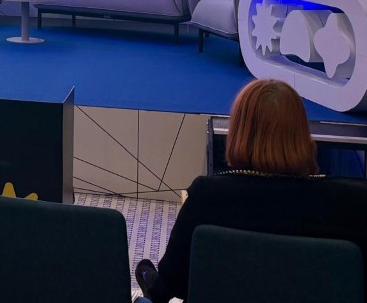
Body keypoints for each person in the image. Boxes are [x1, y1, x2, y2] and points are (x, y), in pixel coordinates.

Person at [136, 78, 367, 302]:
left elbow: (174, 283)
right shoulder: (352, 203)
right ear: (301, 133)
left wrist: (149, 280)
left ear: (239, 132)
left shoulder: (207, 196)